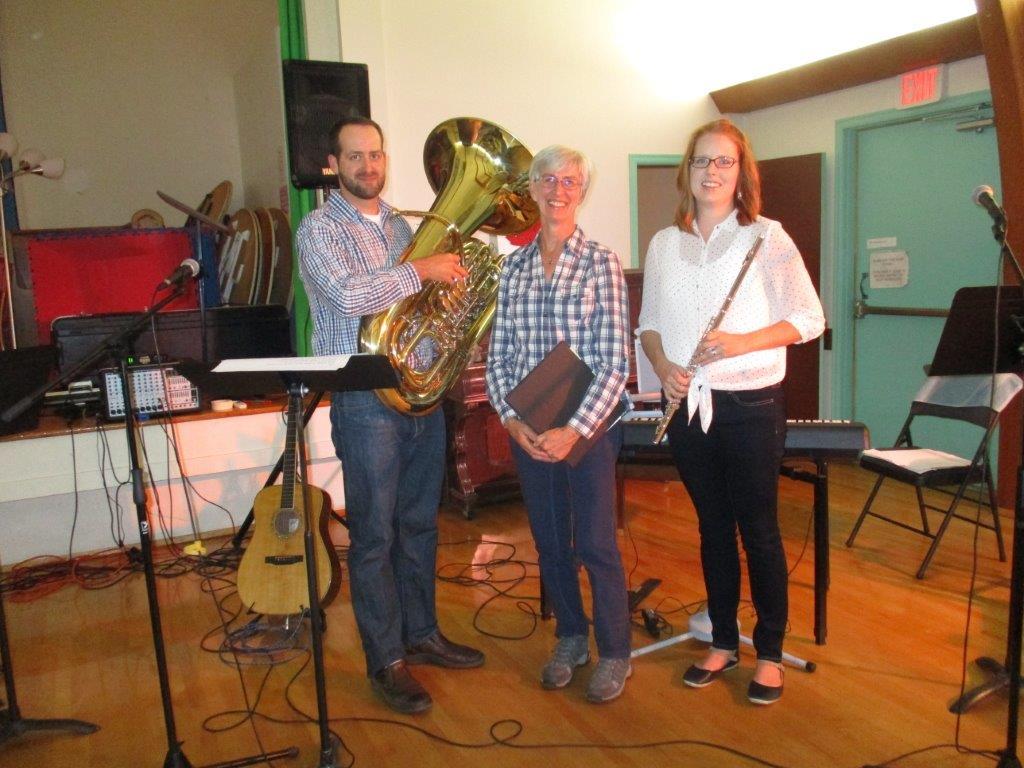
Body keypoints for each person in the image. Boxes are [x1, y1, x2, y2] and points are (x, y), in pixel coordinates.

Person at [296, 116, 484, 715]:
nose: (368, 165)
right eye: (354, 156)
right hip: (363, 400)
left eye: (375, 154)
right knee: (375, 535)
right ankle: (386, 659)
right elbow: (349, 296)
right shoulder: (318, 228)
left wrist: (452, 298)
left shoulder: (404, 225)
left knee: (420, 525)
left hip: (419, 394)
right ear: (333, 164)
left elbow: (419, 307)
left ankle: (421, 634)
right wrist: (422, 271)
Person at [637, 119, 825, 705]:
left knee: (759, 530)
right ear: (687, 171)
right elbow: (649, 325)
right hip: (687, 405)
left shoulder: (767, 236)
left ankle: (768, 652)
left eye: (724, 161)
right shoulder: (664, 244)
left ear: (742, 173)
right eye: (702, 160)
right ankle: (722, 641)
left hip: (751, 402)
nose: (712, 171)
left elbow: (809, 318)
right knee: (712, 527)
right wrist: (664, 364)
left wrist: (742, 342)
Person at [486, 145, 633, 704]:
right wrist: (510, 419)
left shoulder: (601, 262)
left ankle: (615, 651)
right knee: (550, 543)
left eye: (570, 181)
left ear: (582, 191)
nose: (558, 190)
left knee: (596, 543)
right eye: (548, 180)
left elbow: (615, 363)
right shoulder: (512, 268)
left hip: (587, 428)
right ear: (532, 188)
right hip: (530, 427)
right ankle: (571, 636)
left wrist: (575, 430)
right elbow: (499, 356)